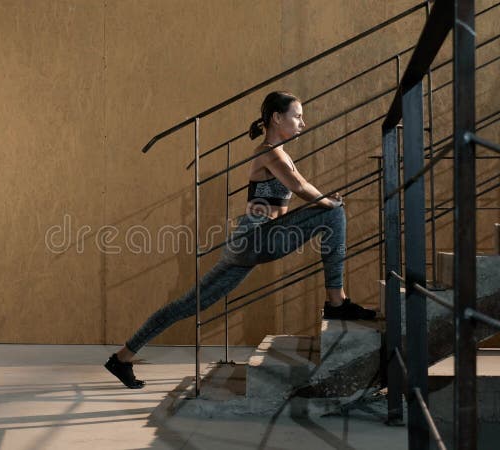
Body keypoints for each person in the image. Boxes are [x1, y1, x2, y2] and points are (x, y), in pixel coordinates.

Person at [105, 91, 376, 389]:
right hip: (256, 237)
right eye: (297, 116)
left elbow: (299, 190)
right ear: (276, 117)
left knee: (189, 304)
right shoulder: (268, 151)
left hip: (250, 239)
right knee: (334, 215)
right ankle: (337, 303)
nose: (303, 123)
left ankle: (122, 357)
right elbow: (298, 186)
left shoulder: (278, 152)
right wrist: (329, 203)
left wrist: (325, 201)